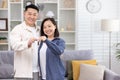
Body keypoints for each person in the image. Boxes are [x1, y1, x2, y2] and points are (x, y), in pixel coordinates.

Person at [10, 4, 40, 80]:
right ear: (24, 14)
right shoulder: (17, 29)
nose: (32, 17)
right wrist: (27, 43)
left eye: (34, 15)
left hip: (37, 71)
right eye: (29, 14)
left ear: (37, 16)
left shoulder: (39, 30)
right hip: (23, 73)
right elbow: (14, 45)